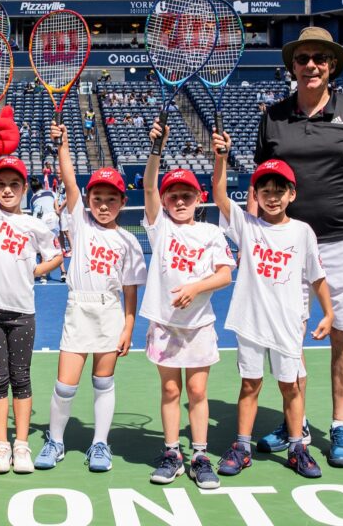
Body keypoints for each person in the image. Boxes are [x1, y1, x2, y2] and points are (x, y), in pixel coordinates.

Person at [253, 27, 343, 469]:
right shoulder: (273, 116)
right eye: (303, 58)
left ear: (332, 65)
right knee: (285, 339)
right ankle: (298, 424)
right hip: (284, 244)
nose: (311, 65)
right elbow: (259, 186)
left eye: (320, 58)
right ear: (292, 66)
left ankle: (342, 426)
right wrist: (255, 237)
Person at [211, 139, 332, 479]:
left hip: (288, 325)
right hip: (251, 323)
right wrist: (221, 159)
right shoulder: (247, 227)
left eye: (280, 190)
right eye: (266, 190)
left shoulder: (302, 232)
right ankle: (242, 446)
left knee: (290, 387)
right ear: (256, 195)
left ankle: (297, 447)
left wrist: (330, 313)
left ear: (292, 194)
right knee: (250, 384)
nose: (273, 196)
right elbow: (219, 195)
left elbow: (318, 277)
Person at [34, 121, 147, 473]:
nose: (103, 204)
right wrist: (63, 145)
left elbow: (131, 290)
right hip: (78, 308)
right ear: (89, 200)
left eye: (111, 199)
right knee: (64, 385)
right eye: (97, 198)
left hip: (110, 311)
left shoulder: (129, 242)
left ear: (122, 202)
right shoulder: (79, 224)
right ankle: (55, 440)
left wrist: (129, 326)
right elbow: (69, 182)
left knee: (103, 381)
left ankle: (100, 443)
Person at [141, 121, 235, 488]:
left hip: (198, 326)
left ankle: (199, 454)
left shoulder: (211, 233)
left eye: (187, 195)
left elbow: (225, 275)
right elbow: (149, 184)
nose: (180, 201)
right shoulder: (159, 227)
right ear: (164, 201)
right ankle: (171, 452)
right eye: (173, 196)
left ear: (199, 199)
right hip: (165, 324)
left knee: (197, 392)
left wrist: (196, 287)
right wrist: (155, 149)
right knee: (169, 391)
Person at [0, 156, 63, 474]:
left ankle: (21, 446)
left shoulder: (34, 225)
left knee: (21, 379)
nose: (7, 189)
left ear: (25, 188)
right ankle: (1, 447)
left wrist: (35, 270)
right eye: (1, 184)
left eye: (14, 184)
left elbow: (57, 254)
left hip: (23, 313)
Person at [30, 177, 62, 283]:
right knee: (56, 246)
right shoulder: (51, 193)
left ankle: (43, 275)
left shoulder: (33, 199)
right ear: (42, 186)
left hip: (41, 221)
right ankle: (63, 273)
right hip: (53, 219)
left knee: (43, 246)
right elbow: (57, 210)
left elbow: (34, 213)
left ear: (32, 189)